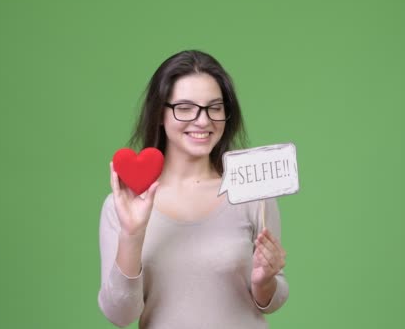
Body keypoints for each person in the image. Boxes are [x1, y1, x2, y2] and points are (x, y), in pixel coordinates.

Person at [98, 50, 288, 328]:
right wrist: (132, 234)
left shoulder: (251, 192)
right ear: (159, 114)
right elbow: (120, 316)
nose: (203, 121)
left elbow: (274, 296)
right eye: (185, 108)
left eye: (215, 107)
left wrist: (265, 281)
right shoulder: (124, 206)